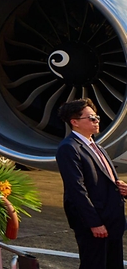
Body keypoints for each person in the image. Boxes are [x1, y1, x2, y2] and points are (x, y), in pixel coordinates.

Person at [57, 98, 127, 269]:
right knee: (94, 265)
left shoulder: (96, 146)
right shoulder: (69, 148)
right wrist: (94, 223)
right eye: (91, 118)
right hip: (95, 223)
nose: (96, 121)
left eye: (97, 117)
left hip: (112, 220)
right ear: (75, 122)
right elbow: (76, 189)